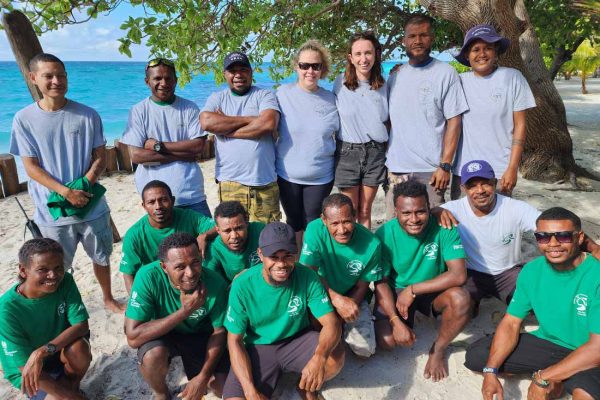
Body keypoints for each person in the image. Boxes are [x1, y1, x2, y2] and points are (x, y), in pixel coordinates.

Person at [9, 53, 123, 313]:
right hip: (53, 211)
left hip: (91, 204)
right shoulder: (24, 119)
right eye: (48, 76)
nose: (56, 81)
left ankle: (107, 297)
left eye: (61, 75)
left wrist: (85, 186)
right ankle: (62, 305)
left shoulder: (87, 114)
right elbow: (31, 168)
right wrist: (65, 192)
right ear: (33, 78)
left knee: (101, 255)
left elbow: (100, 157)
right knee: (56, 265)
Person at [465, 207, 600, 400]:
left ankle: (560, 376)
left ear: (579, 238)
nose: (553, 244)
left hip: (591, 351)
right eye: (543, 237)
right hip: (552, 344)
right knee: (478, 356)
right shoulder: (532, 271)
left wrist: (542, 377)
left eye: (563, 236)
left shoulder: (596, 275)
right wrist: (490, 371)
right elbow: (511, 322)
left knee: (585, 394)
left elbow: (596, 349)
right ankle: (562, 376)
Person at [223, 222, 345, 400]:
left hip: (297, 340)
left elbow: (331, 323)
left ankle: (303, 387)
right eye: (273, 256)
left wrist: (319, 357)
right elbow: (234, 341)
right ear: (260, 255)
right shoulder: (242, 285)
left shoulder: (307, 276)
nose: (281, 264)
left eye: (288, 256)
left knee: (335, 357)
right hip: (258, 347)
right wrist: (250, 391)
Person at [374, 179, 470, 381]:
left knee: (461, 298)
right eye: (406, 213)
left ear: (429, 208)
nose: (414, 219)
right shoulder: (384, 233)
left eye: (420, 211)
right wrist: (394, 319)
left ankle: (438, 349)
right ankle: (401, 320)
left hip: (432, 289)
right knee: (388, 342)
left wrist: (413, 289)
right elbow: (381, 281)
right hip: (397, 290)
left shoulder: (444, 226)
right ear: (396, 212)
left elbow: (458, 274)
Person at [124, 232, 229, 400]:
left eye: (195, 262)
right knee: (153, 356)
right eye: (180, 267)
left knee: (223, 389)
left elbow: (219, 332)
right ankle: (161, 392)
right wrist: (185, 311)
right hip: (162, 333)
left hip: (199, 336)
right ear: (164, 267)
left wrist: (202, 377)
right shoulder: (147, 277)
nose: (190, 273)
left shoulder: (215, 282)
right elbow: (133, 337)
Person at [386, 15, 468, 215]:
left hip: (432, 171)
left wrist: (445, 165)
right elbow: (388, 121)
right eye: (412, 36)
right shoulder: (394, 76)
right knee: (395, 230)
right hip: (397, 170)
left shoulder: (446, 73)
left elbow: (454, 121)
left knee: (431, 231)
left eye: (423, 35)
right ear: (404, 41)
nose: (418, 41)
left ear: (432, 38)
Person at [435, 160, 540, 311]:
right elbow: (423, 216)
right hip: (470, 273)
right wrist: (436, 211)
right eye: (472, 185)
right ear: (463, 188)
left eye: (486, 183)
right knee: (457, 309)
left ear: (495, 183)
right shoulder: (452, 210)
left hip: (508, 272)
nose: (480, 190)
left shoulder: (514, 207)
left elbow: (546, 224)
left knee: (534, 307)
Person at [451, 24, 536, 199]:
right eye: (476, 49)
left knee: (499, 222)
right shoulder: (458, 82)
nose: (482, 54)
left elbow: (520, 126)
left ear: (496, 52)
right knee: (460, 223)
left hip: (499, 169)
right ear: (467, 55)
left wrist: (512, 168)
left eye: (488, 48)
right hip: (463, 170)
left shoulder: (513, 77)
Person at [0, 238, 91, 400]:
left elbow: (81, 325)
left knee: (79, 349)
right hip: (29, 371)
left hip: (57, 352)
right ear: (23, 270)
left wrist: (41, 351)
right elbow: (23, 366)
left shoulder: (65, 281)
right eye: (43, 269)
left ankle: (73, 387)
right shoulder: (6, 309)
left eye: (58, 267)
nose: (53, 275)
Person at [121, 58, 211, 217]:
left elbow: (198, 148)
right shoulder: (138, 111)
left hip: (191, 194)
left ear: (176, 80)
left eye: (168, 78)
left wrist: (158, 146)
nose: (164, 83)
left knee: (204, 240)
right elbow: (136, 156)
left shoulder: (189, 108)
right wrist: (185, 154)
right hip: (156, 200)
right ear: (147, 81)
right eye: (157, 78)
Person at [200, 51, 281, 223]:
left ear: (251, 72)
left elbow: (267, 124)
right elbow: (206, 122)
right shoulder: (217, 98)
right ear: (225, 74)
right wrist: (252, 120)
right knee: (234, 237)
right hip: (230, 183)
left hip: (264, 183)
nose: (238, 75)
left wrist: (226, 128)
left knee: (267, 238)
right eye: (232, 70)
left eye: (243, 69)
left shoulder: (265, 95)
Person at [300, 193, 383, 357]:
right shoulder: (314, 230)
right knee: (312, 330)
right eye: (335, 223)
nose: (342, 229)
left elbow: (363, 285)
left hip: (353, 295)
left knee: (365, 350)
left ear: (355, 217)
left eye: (347, 221)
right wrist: (336, 300)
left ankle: (341, 328)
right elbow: (309, 273)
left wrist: (348, 308)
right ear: (324, 220)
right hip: (320, 291)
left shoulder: (372, 244)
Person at [276, 40, 340, 249]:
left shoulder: (332, 99)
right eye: (304, 65)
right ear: (296, 66)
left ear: (323, 69)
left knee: (313, 224)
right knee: (293, 223)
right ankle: (296, 267)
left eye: (316, 66)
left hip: (320, 176)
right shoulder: (282, 94)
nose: (310, 71)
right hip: (287, 175)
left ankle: (312, 265)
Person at [119, 180, 216, 294]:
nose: (158, 206)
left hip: (191, 276)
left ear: (173, 200)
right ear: (144, 206)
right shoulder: (134, 235)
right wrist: (135, 305)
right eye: (151, 202)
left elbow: (220, 226)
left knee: (217, 242)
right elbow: (128, 273)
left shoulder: (188, 216)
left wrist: (205, 235)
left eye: (163, 200)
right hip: (159, 286)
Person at [333, 31, 388, 229]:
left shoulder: (384, 85)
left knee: (366, 210)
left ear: (376, 54)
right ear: (350, 57)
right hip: (348, 153)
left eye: (368, 53)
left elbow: (388, 120)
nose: (363, 59)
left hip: (376, 153)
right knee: (350, 210)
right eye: (358, 54)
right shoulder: (339, 83)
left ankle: (365, 256)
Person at [203, 200, 265, 283]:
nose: (234, 236)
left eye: (239, 228)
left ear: (246, 222)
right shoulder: (214, 249)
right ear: (218, 230)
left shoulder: (262, 231)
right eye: (227, 231)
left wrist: (248, 273)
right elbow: (207, 281)